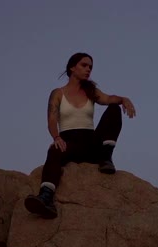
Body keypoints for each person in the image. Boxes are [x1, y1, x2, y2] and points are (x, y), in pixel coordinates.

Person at [24, 52, 136, 218]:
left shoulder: (91, 91)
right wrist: (56, 138)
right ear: (72, 67)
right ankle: (46, 198)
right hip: (70, 143)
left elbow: (108, 98)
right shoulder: (58, 93)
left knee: (113, 108)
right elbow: (51, 120)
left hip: (91, 143)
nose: (88, 69)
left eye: (90, 67)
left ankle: (105, 158)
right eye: (84, 65)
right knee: (53, 150)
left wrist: (123, 99)